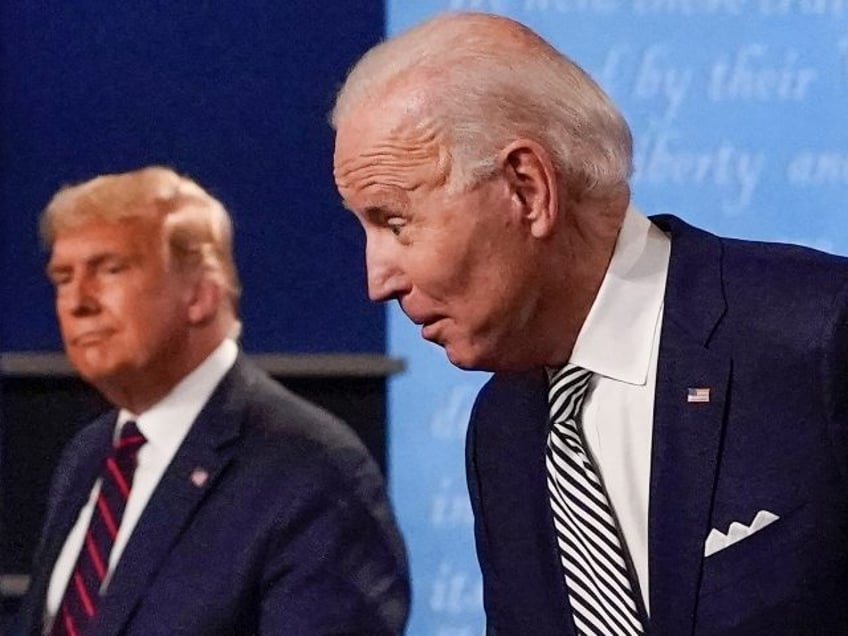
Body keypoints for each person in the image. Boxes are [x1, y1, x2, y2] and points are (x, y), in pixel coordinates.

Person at [331, 11, 848, 636]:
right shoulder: (502, 431)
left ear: (526, 189)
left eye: (395, 222)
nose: (377, 280)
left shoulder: (819, 333)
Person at [11, 166, 410, 636]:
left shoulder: (312, 471)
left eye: (111, 269)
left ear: (200, 294)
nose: (77, 301)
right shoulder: (90, 455)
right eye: (62, 277)